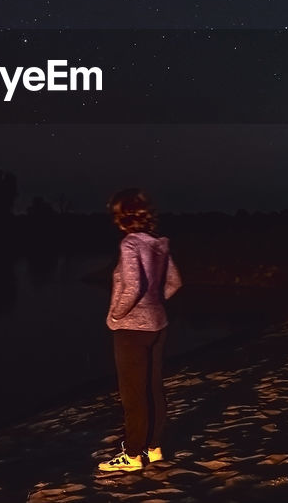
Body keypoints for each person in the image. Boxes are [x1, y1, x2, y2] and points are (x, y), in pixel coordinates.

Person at [97, 188, 183, 472]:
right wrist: (155, 303)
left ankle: (133, 455)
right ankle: (153, 448)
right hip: (159, 325)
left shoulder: (130, 245)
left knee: (133, 393)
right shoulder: (159, 245)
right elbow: (174, 284)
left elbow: (132, 287)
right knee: (153, 388)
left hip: (132, 328)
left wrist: (115, 315)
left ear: (123, 216)